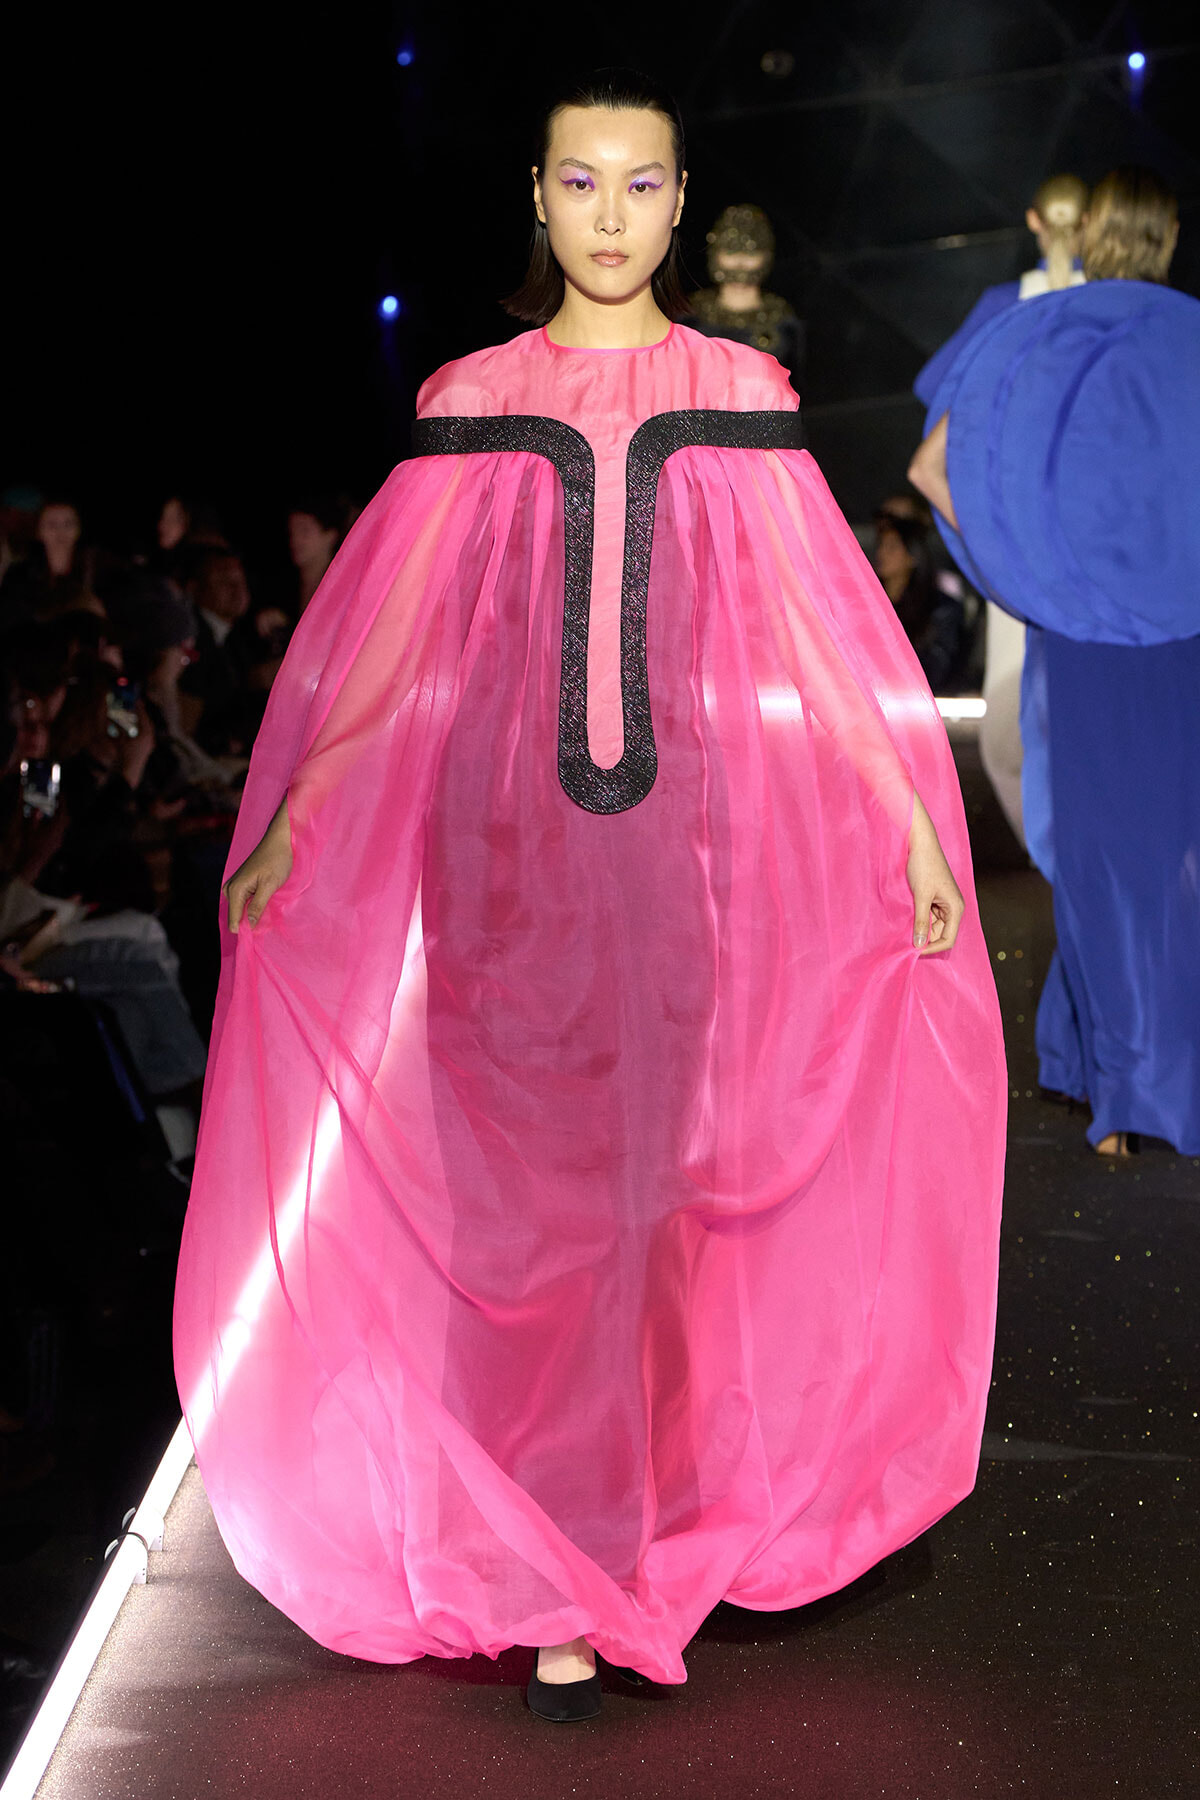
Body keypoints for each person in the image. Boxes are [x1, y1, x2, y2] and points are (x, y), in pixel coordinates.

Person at [173, 67, 1005, 1724]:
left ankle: (640, 1537)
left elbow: (813, 636)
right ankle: (549, 1569)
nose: (611, 216)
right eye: (581, 184)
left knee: (668, 1218)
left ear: (682, 204)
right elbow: (394, 638)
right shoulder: (474, 396)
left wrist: (916, 832)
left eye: (642, 187)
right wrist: (298, 818)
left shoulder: (738, 388)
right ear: (539, 200)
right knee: (521, 1220)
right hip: (502, 866)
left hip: (692, 867)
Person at [908, 165, 1197, 1159]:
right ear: (1164, 235)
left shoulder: (1050, 329)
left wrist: (1015, 570)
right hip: (1177, 630)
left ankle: (1113, 1087)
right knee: (1173, 857)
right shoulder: (1182, 331)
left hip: (1080, 631)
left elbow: (930, 468)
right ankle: (1132, 1076)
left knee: (1099, 863)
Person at [914, 173, 1089, 849]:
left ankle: (1055, 858)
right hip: (1087, 532)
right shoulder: (1109, 299)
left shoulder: (1006, 301)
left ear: (1035, 221)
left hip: (1022, 531)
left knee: (1015, 727)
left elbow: (936, 387)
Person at [685, 203, 804, 378]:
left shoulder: (783, 323)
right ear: (716, 254)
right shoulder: (689, 317)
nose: (740, 262)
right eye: (731, 252)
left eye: (751, 253)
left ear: (765, 257)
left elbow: (799, 385)